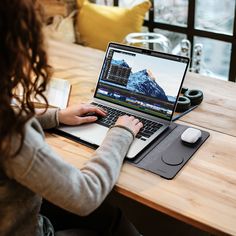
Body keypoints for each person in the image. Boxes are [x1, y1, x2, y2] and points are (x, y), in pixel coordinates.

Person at [0, 0, 143, 235]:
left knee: (108, 216)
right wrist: (120, 134)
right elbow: (85, 195)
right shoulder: (13, 134)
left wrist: (56, 116)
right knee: (116, 224)